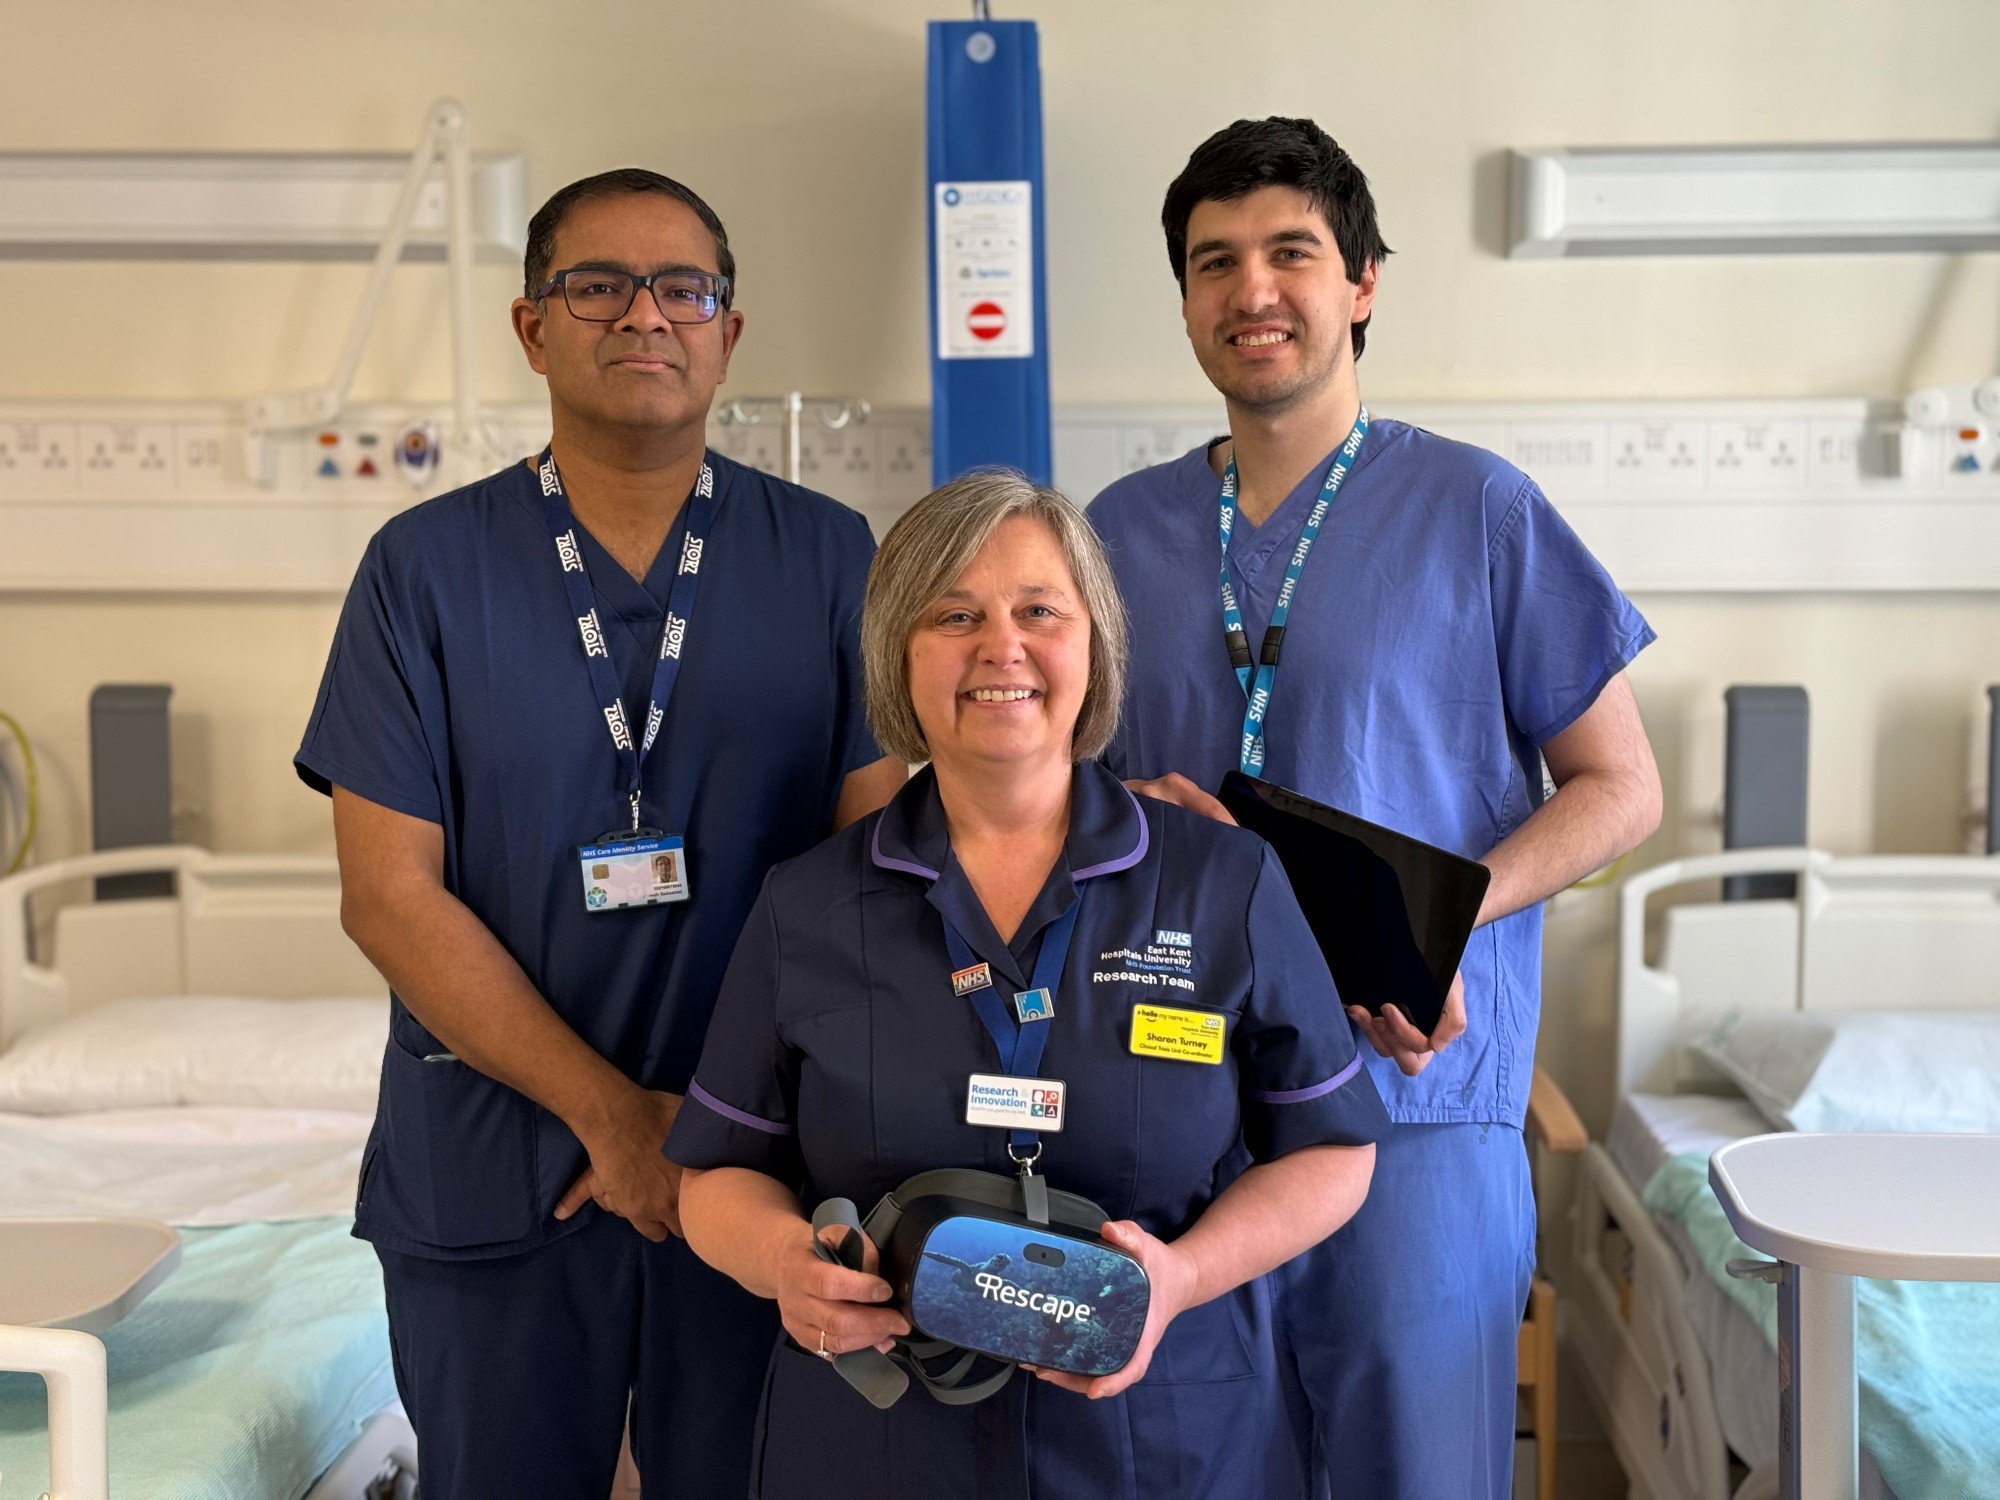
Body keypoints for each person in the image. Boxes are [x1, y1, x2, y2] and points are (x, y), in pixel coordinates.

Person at [295, 167, 906, 1499]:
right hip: (493, 1162)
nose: (644, 315)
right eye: (597, 286)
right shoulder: (423, 571)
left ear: (727, 333)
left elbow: (876, 871)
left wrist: (711, 1133)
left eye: (683, 288)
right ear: (532, 326)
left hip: (755, 1160)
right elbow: (388, 895)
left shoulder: (827, 558)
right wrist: (616, 1120)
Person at [1088, 118, 1664, 1498]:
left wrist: (1441, 921)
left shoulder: (1479, 511)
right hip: (1182, 1099)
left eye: (1290, 252)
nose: (1252, 289)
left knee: (1413, 1470)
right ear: (1184, 302)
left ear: (1361, 283)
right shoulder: (1113, 532)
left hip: (1410, 1094)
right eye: (1213, 262)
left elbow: (1621, 788)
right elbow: (1057, 792)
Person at [667, 471, 1389, 1500]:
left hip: (1161, 1440)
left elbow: (1331, 1151)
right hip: (881, 1445)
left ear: (1094, 646)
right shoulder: (808, 905)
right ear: (898, 654)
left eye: (1039, 611)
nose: (1000, 646)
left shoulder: (1222, 881)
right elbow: (714, 1176)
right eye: (954, 615)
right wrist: (785, 1261)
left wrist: (1183, 1277)